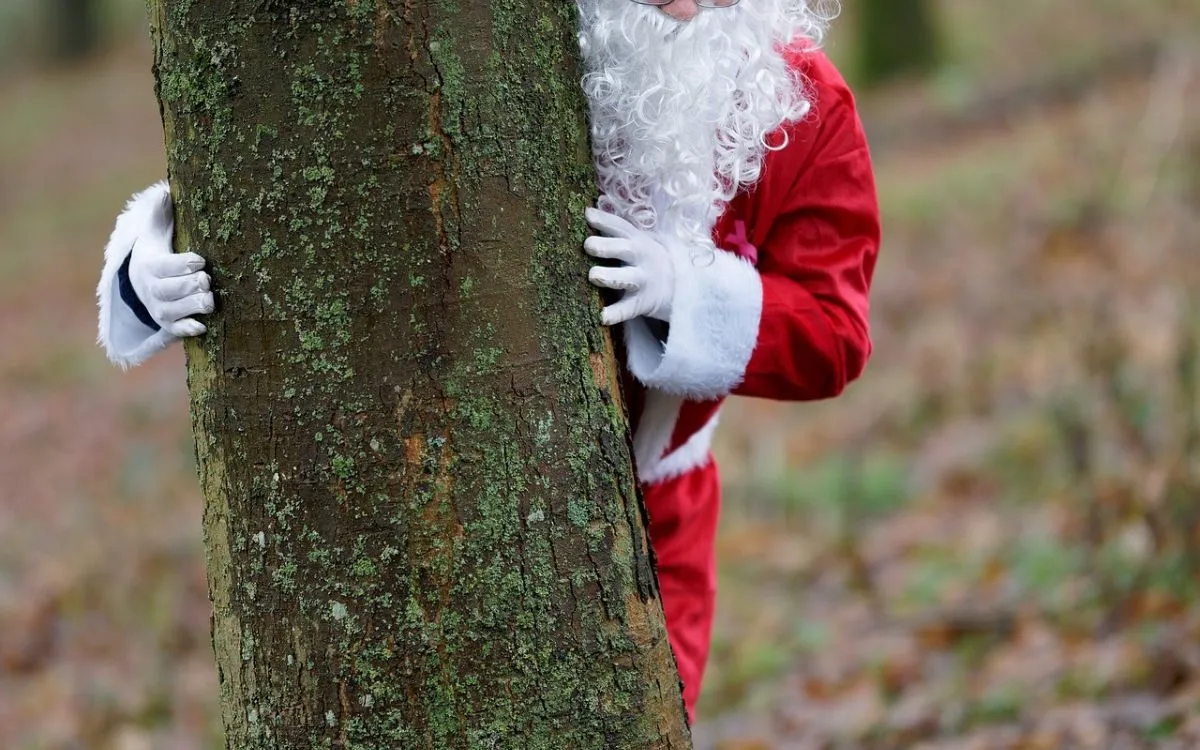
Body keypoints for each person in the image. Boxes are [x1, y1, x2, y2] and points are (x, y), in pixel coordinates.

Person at [97, 0, 879, 721]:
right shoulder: (523, 40)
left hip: (659, 520)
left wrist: (690, 292)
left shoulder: (805, 100)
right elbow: (328, 160)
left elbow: (837, 333)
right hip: (416, 497)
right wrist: (149, 266)